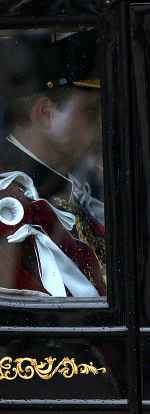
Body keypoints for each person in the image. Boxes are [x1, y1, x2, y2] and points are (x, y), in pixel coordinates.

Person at [0, 30, 107, 297]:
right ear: (45, 113)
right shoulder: (10, 204)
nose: (101, 128)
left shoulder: (68, 187)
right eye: (91, 112)